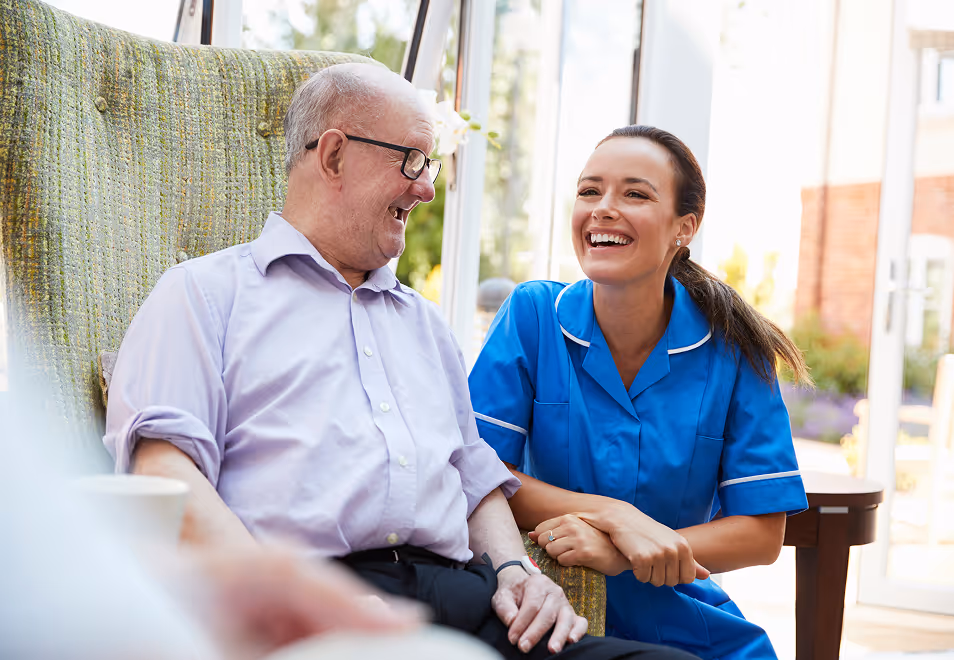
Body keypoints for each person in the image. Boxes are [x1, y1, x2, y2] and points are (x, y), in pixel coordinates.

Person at [103, 64, 698, 660]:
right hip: (318, 608)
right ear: (333, 155)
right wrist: (289, 600)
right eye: (411, 160)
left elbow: (473, 478)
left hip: (469, 605)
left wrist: (517, 571)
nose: (426, 188)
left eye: (429, 164)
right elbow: (164, 477)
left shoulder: (423, 322)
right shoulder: (203, 294)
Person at [467, 125, 812, 660]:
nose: (603, 208)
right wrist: (613, 513)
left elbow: (762, 532)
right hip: (554, 610)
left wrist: (621, 550)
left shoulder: (735, 349)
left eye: (635, 193)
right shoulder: (533, 315)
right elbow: (481, 470)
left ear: (684, 227)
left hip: (686, 619)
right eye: (589, 191)